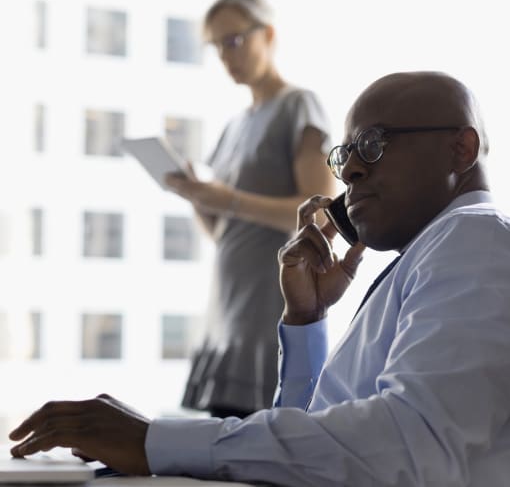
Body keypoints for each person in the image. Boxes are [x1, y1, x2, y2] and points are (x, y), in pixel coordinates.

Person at [9, 71, 510, 486]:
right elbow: (311, 454)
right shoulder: (431, 255)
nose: (350, 170)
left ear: (461, 150)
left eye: (373, 144)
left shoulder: (473, 241)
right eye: (345, 154)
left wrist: (154, 440)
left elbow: (411, 445)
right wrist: (307, 322)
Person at [163, 0, 335, 419]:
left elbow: (318, 214)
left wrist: (228, 198)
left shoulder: (299, 105)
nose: (226, 55)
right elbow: (223, 232)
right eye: (218, 46)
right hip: (228, 306)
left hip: (267, 303)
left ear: (269, 35)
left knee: (259, 439)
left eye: (235, 40)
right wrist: (196, 197)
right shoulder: (235, 125)